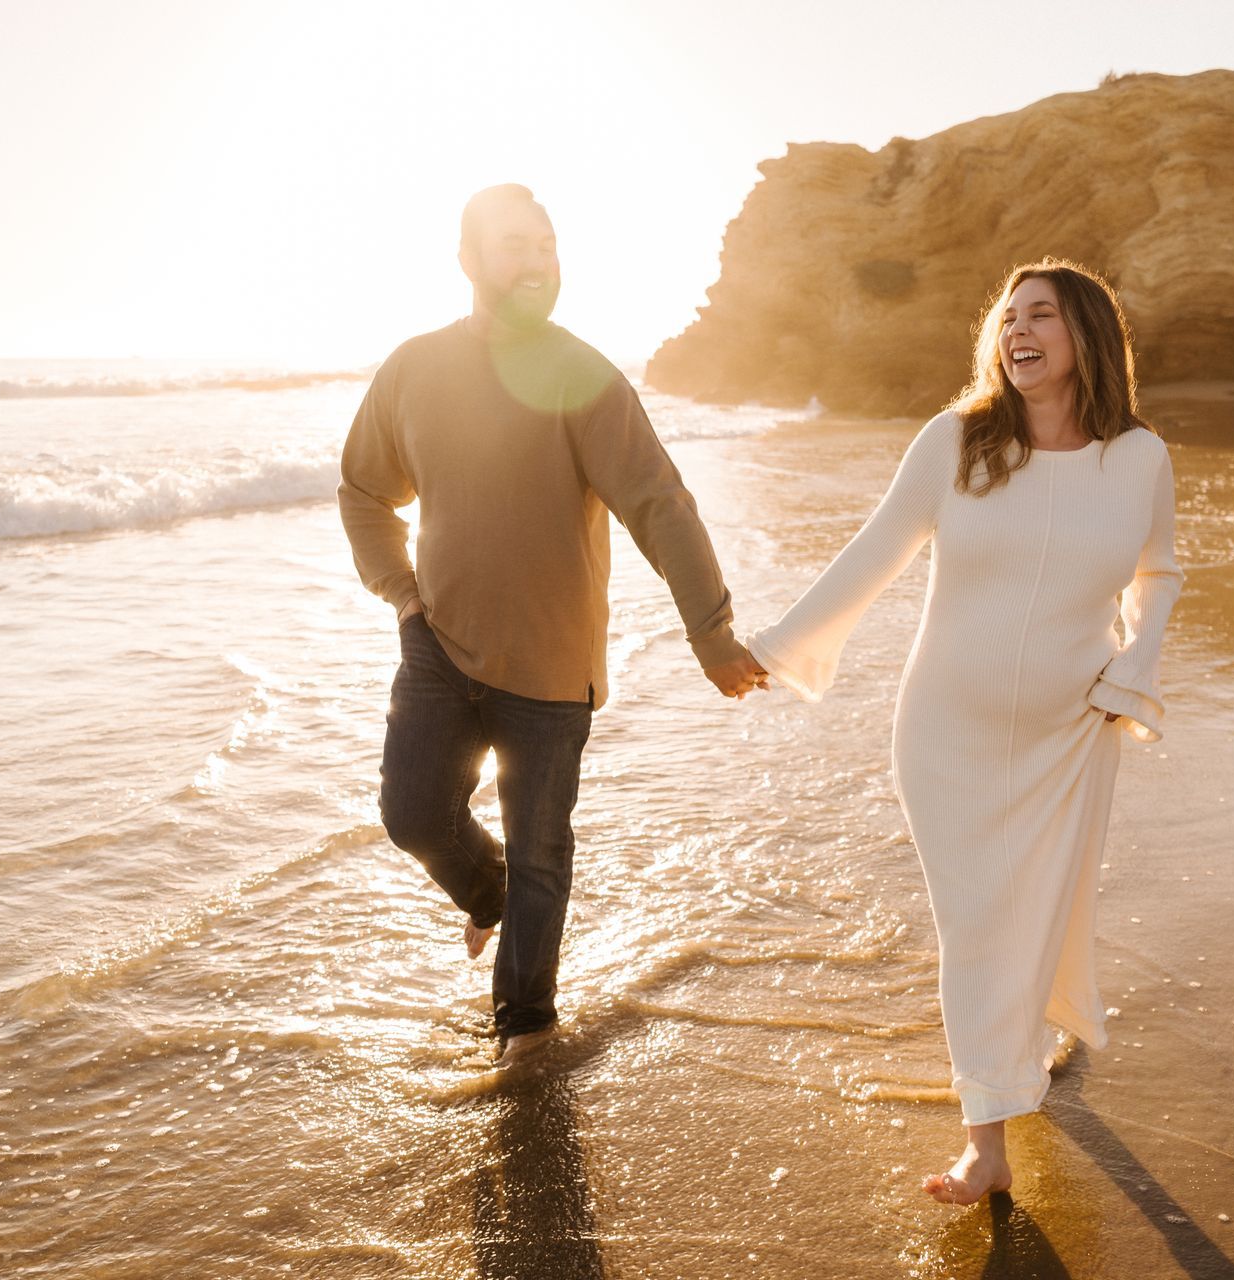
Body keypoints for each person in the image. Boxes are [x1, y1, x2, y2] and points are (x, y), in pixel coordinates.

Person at [747, 258, 1183, 1202]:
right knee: (980, 921)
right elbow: (875, 552)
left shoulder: (1138, 457)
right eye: (1008, 317)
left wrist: (1136, 664)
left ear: (1087, 336)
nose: (1017, 330)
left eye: (1042, 315)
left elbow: (1160, 572)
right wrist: (776, 647)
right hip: (946, 733)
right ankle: (987, 1142)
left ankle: (1027, 1041)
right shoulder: (957, 441)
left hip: (1072, 730)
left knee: (1045, 901)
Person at [337, 183, 768, 1063]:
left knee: (540, 851)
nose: (537, 261)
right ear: (467, 260)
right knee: (412, 814)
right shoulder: (414, 368)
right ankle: (486, 894)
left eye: (546, 245)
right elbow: (363, 490)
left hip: (552, 665)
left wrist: (711, 630)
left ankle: (525, 1022)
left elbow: (658, 504)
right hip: (438, 644)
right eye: (514, 246)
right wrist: (403, 594)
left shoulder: (582, 375)